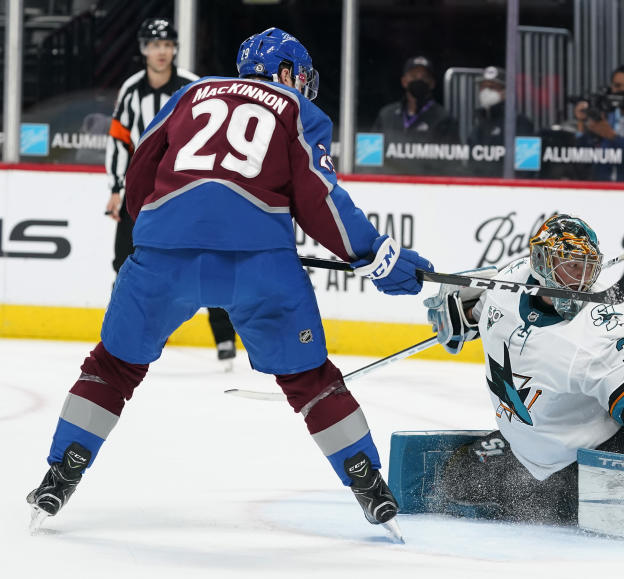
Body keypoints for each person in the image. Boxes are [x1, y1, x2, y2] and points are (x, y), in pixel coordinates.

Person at [26, 28, 434, 541]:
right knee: (309, 379)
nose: (302, 85)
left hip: (162, 257)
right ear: (286, 73)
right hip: (258, 266)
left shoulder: (190, 93)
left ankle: (62, 470)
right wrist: (375, 255)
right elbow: (320, 201)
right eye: (300, 76)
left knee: (112, 365)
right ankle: (366, 480)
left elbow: (141, 172)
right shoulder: (294, 108)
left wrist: (156, 233)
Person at [422, 214, 624, 524]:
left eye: (588, 270)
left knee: (545, 500)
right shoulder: (508, 281)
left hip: (585, 462)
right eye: (571, 268)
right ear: (540, 265)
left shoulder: (598, 332)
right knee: (455, 478)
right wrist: (456, 313)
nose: (580, 281)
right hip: (523, 453)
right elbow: (470, 310)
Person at [105, 17, 238, 367]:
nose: (161, 52)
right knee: (125, 263)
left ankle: (224, 338)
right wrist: (117, 187)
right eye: (154, 44)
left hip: (186, 192)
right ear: (143, 49)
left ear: (175, 48)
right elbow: (120, 141)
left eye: (166, 44)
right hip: (141, 192)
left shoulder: (195, 87)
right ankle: (123, 331)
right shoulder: (131, 90)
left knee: (207, 257)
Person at [371, 55, 460, 175]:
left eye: (424, 77)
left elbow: (452, 164)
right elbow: (370, 157)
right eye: (413, 76)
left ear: (432, 83)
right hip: (389, 183)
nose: (419, 80)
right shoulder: (386, 114)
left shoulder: (444, 119)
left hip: (427, 187)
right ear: (404, 81)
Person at [574, 64, 624, 182]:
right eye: (617, 86)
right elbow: (581, 159)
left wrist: (613, 137)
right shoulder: (604, 117)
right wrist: (581, 123)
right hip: (601, 189)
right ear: (611, 88)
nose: (622, 91)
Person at [466, 66, 535, 177]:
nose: (486, 92)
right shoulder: (479, 124)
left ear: (505, 91)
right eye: (483, 87)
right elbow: (471, 166)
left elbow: (528, 167)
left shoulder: (521, 124)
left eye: (492, 87)